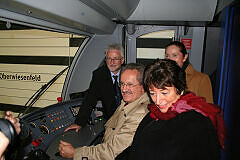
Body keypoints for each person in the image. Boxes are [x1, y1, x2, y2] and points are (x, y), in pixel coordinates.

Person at [127, 59, 226, 160]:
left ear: (181, 89)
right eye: (152, 93)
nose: (158, 100)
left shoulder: (198, 125)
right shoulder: (153, 115)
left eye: (164, 93)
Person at [58, 63, 150, 160]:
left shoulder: (139, 114)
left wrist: (75, 153)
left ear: (143, 86)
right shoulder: (127, 103)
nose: (124, 89)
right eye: (122, 84)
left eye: (130, 85)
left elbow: (111, 152)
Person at [65, 44, 125, 132]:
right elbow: (90, 99)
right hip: (111, 121)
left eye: (115, 58)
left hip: (129, 119)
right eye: (109, 58)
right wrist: (79, 123)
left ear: (122, 60)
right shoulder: (99, 75)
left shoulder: (129, 72)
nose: (112, 62)